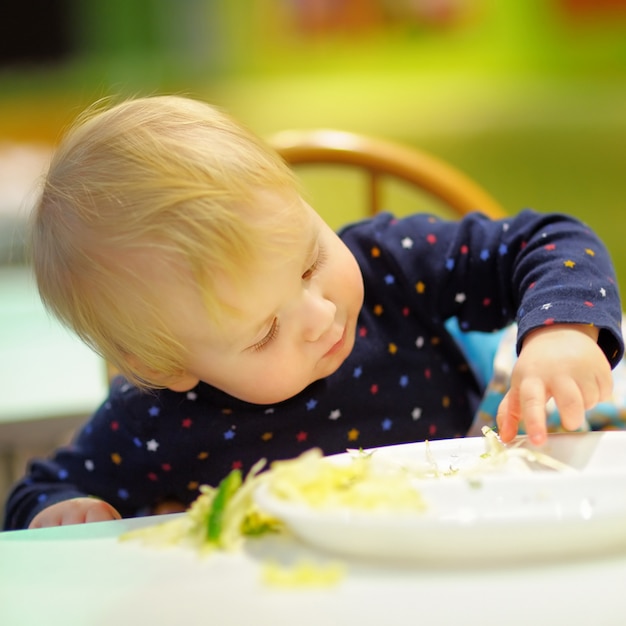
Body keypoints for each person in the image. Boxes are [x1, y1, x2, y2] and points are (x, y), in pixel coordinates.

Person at [3, 95, 623, 531]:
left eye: (308, 262)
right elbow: (41, 490)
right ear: (169, 365)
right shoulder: (155, 418)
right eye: (264, 330)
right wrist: (63, 511)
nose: (319, 313)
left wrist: (561, 330)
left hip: (479, 513)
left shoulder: (388, 265)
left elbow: (545, 241)